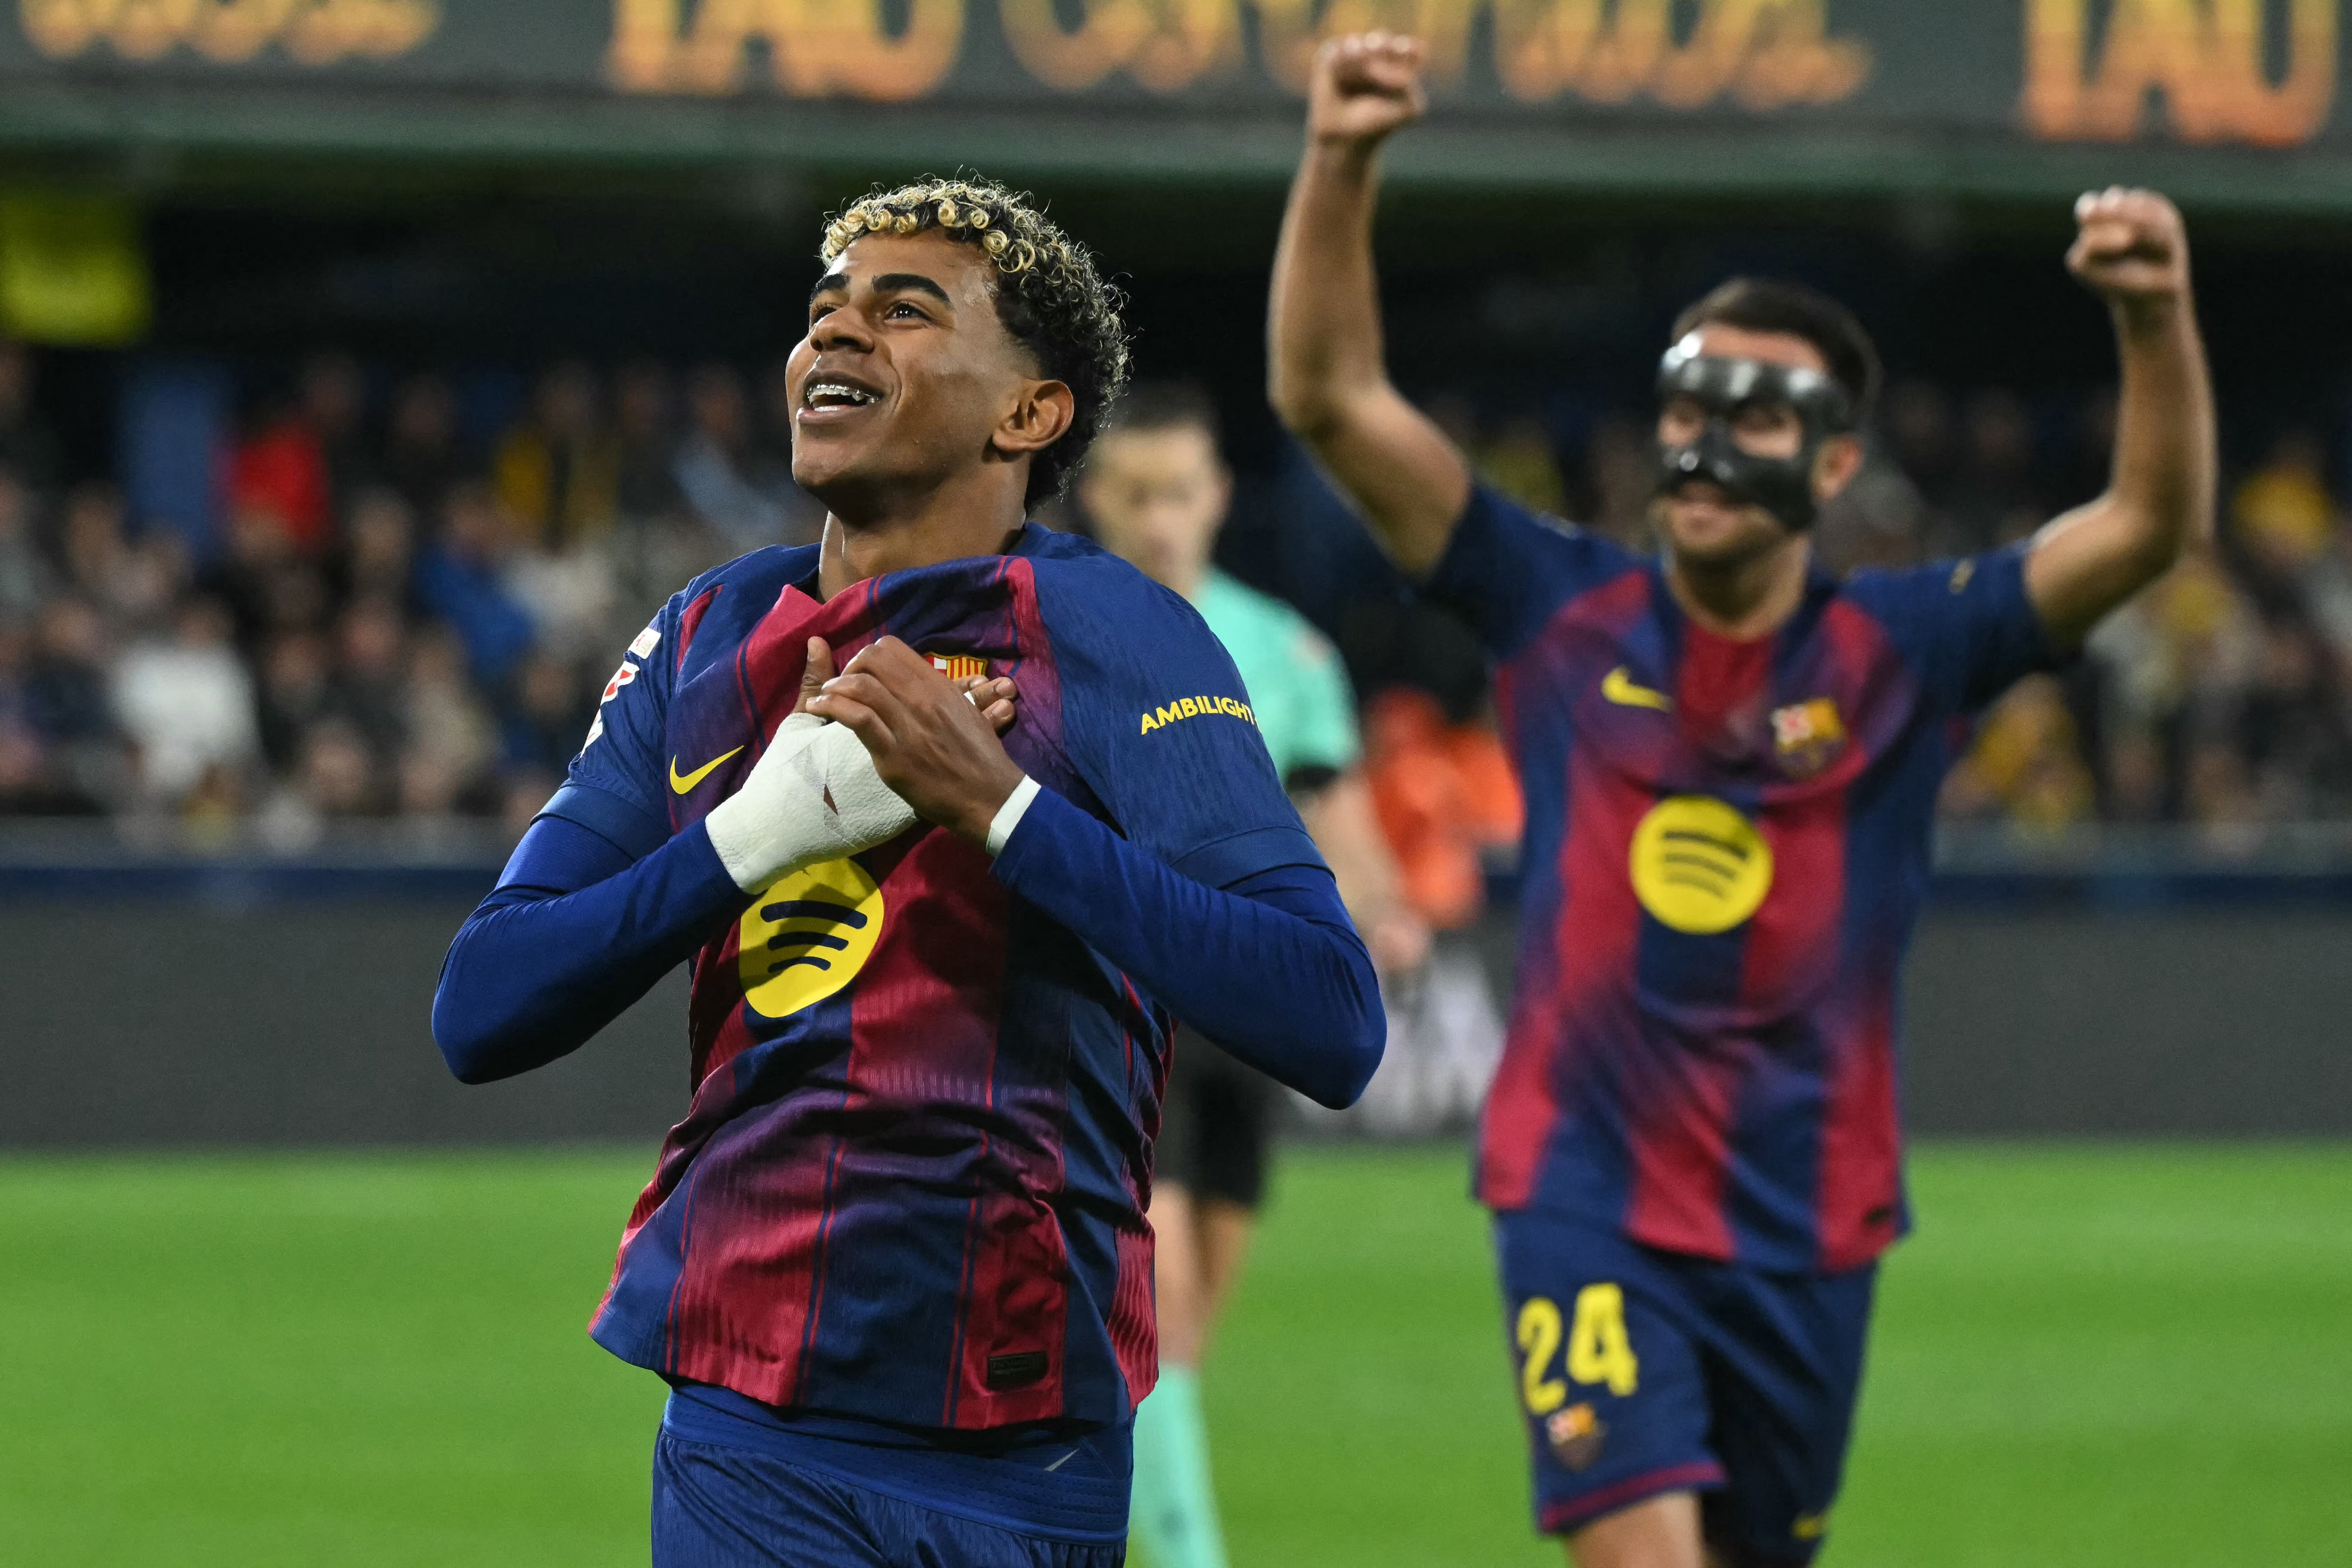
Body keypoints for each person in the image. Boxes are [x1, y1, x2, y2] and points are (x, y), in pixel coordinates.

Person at [1268, 33, 2213, 1568]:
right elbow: (1325, 393)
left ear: (1836, 460)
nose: (1704, 439)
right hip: (1582, 1185)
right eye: (1686, 399)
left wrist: (2157, 318)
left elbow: (2154, 520)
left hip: (1807, 1219)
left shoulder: (1908, 645)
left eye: (1757, 413)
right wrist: (1343, 157)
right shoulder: (1555, 602)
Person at [432, 175, 1384, 1568]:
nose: (838, 337)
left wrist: (999, 810)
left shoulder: (1122, 637)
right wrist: (754, 836)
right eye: (824, 311)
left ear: (1030, 412)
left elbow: (1331, 1014)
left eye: (904, 310)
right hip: (748, 1420)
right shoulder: (708, 634)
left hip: (1024, 1427)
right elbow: (483, 1003)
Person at [1078, 383, 1426, 1568]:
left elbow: (1334, 808)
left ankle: (1085, 1522)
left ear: (1217, 495)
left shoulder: (1283, 649)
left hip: (1249, 1016)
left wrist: (1381, 913)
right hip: (1124, 1005)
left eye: (1179, 491)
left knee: (1180, 1338)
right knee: (1156, 1308)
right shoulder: (1065, 629)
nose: (1160, 518)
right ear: (1096, 500)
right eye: (1136, 494)